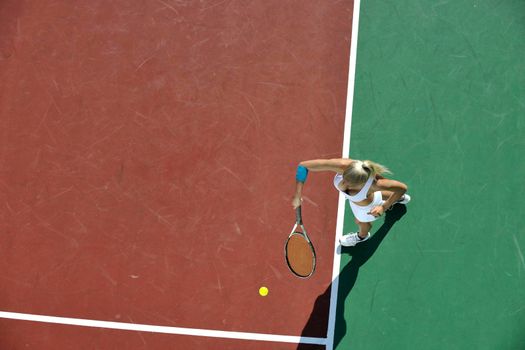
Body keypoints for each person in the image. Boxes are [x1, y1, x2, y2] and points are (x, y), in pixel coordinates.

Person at [292, 158, 410, 246]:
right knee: (391, 194)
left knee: (360, 221)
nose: (343, 184)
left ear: (363, 183)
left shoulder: (375, 185)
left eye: (350, 184)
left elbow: (402, 187)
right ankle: (399, 198)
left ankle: (361, 237)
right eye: (344, 178)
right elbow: (303, 166)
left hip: (367, 208)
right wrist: (297, 195)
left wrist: (384, 207)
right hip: (357, 199)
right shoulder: (343, 165)